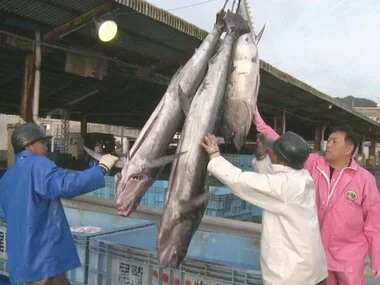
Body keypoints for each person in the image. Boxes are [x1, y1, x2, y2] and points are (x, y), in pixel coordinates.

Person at [253, 108, 380, 285]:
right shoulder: (314, 164)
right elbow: (283, 144)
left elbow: (373, 223)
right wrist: (260, 123)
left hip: (349, 258)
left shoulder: (364, 179)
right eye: (328, 140)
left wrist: (376, 257)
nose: (328, 144)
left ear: (348, 148)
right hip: (317, 254)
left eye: (334, 141)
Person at [201, 131, 328, 285]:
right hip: (311, 270)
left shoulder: (284, 187)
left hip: (292, 275)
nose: (270, 151)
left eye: (272, 151)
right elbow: (271, 182)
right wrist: (261, 156)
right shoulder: (302, 178)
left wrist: (215, 156)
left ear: (281, 158)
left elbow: (240, 181)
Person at [0, 123, 119, 285]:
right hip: (43, 260)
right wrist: (101, 168)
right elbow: (66, 184)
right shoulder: (38, 165)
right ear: (29, 145)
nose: (46, 148)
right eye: (43, 143)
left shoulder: (8, 175)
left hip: (20, 261)